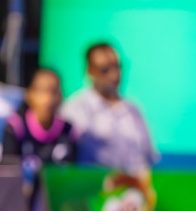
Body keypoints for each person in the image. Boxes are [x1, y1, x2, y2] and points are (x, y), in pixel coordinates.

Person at [60, 43, 159, 171]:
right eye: (105, 69)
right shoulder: (74, 110)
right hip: (94, 189)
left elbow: (149, 158)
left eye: (117, 67)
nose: (114, 75)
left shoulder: (133, 110)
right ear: (90, 71)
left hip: (133, 188)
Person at [3, 67, 78, 166]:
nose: (48, 98)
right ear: (29, 94)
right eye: (42, 90)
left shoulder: (68, 131)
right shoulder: (16, 127)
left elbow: (72, 171)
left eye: (54, 91)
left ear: (60, 96)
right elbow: (7, 172)